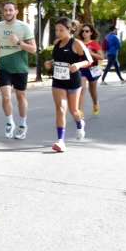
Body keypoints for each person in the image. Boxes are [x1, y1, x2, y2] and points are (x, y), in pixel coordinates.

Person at [44, 17, 93, 153]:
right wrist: (50, 63)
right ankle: (60, 141)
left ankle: (80, 123)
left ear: (69, 29)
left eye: (61, 30)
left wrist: (78, 64)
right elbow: (58, 60)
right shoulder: (57, 43)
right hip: (58, 80)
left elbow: (89, 60)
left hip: (73, 81)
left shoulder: (76, 43)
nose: (58, 33)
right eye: (56, 30)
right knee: (61, 109)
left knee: (74, 111)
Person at [0, 1, 37, 140]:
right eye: (5, 10)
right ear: (3, 12)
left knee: (20, 97)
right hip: (4, 66)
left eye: (11, 10)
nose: (8, 13)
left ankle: (22, 125)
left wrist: (18, 42)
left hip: (20, 67)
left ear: (16, 11)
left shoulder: (24, 27)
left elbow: (33, 49)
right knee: (5, 96)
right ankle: (10, 122)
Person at [78, 25, 104, 117]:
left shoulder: (94, 44)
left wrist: (91, 53)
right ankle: (80, 111)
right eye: (83, 31)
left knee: (92, 90)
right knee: (82, 88)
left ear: (91, 33)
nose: (84, 33)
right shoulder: (78, 43)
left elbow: (101, 57)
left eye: (87, 31)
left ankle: (95, 103)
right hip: (81, 69)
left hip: (93, 69)